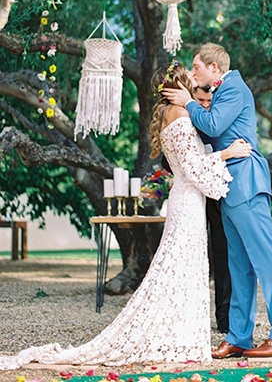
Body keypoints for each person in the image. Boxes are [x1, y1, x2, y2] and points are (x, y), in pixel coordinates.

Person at [0, 61, 252, 370]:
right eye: (190, 77)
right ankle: (177, 336)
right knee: (180, 270)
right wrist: (229, 153)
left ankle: (179, 335)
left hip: (186, 202)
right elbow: (193, 169)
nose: (195, 80)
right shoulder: (182, 118)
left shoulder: (175, 116)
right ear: (179, 85)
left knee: (182, 270)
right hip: (187, 204)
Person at [162, 43, 272, 359]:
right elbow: (208, 137)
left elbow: (213, 126)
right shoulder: (220, 93)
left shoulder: (234, 87)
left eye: (196, 67)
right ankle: (238, 336)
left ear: (214, 67)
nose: (194, 74)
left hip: (247, 184)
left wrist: (187, 102)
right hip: (228, 189)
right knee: (238, 267)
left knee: (266, 261)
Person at [162, 84, 231, 334]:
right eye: (200, 100)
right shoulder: (183, 121)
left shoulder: (217, 122)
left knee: (222, 257)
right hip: (191, 197)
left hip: (217, 198)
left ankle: (224, 319)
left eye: (208, 101)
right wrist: (192, 176)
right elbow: (169, 161)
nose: (205, 105)